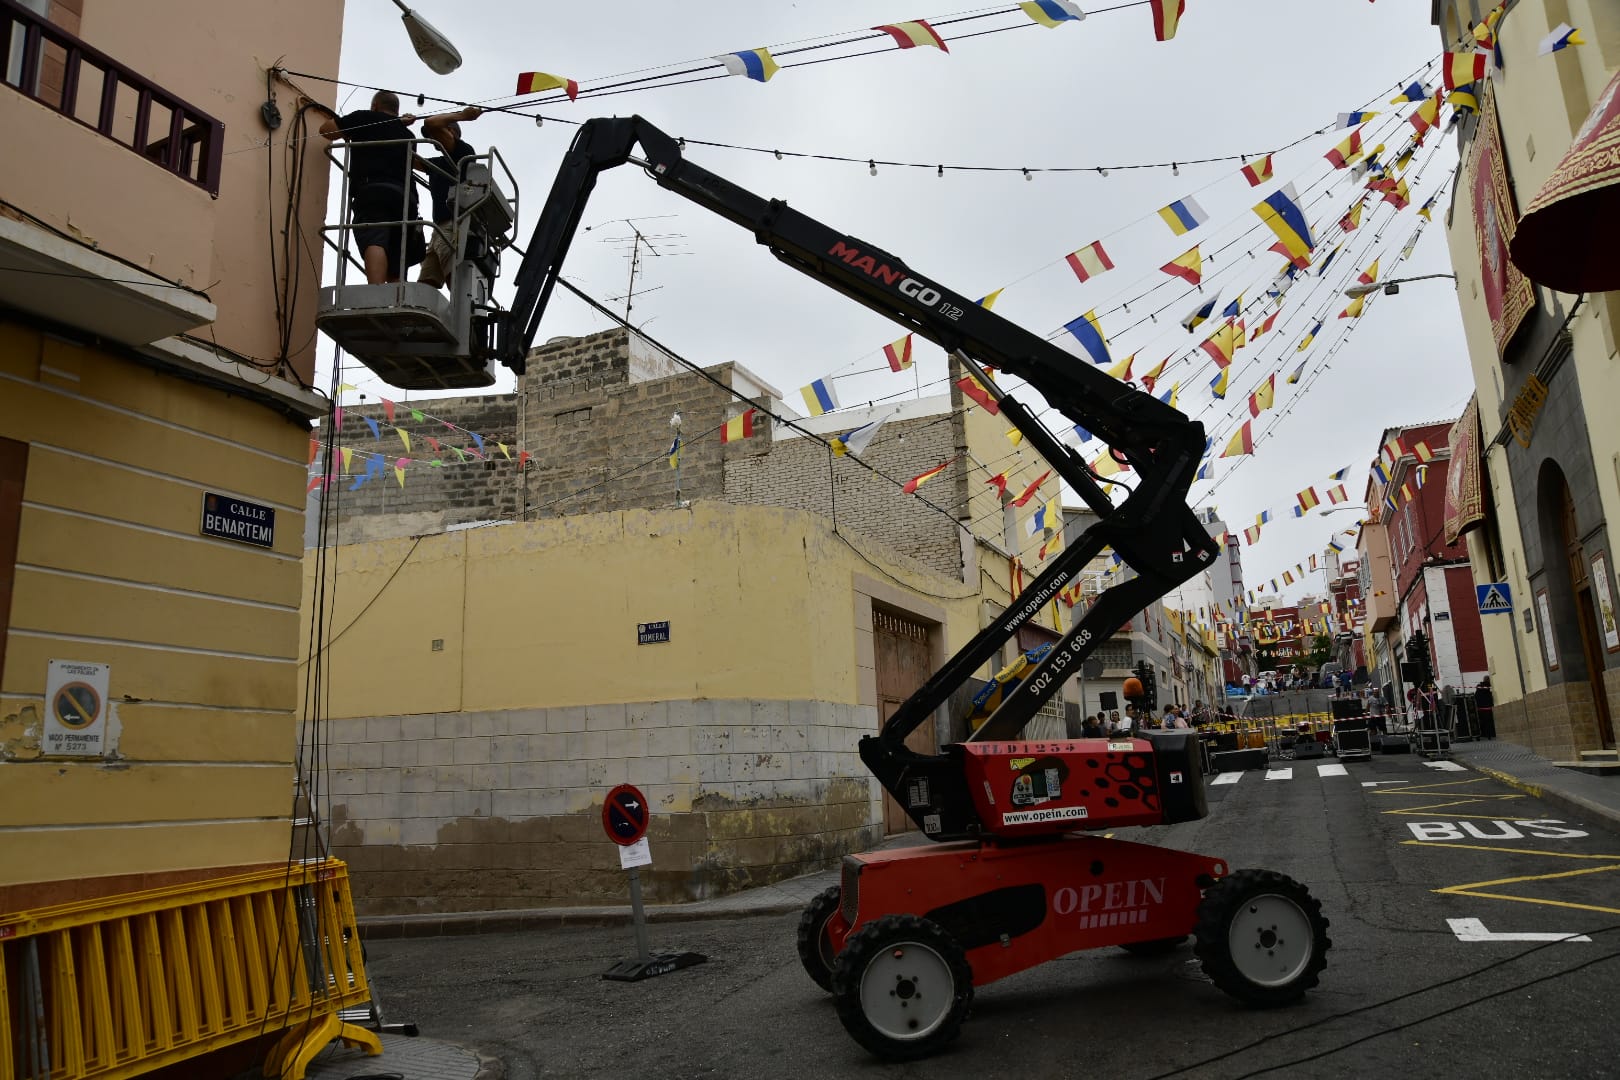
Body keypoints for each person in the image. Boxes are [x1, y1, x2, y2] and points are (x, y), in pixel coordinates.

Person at [318, 90, 425, 284]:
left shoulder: (365, 118)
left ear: (375, 105)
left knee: (374, 237)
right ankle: (394, 302)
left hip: (373, 190)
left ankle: (375, 290)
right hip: (405, 197)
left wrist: (349, 125)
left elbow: (326, 131)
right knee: (397, 250)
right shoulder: (407, 134)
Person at [415, 105, 484, 289]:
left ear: (451, 132)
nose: (432, 140)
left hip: (455, 226)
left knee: (455, 279)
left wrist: (463, 115)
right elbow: (410, 159)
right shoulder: (439, 162)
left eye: (435, 135)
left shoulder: (463, 152)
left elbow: (431, 123)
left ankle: (464, 317)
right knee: (425, 285)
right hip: (439, 229)